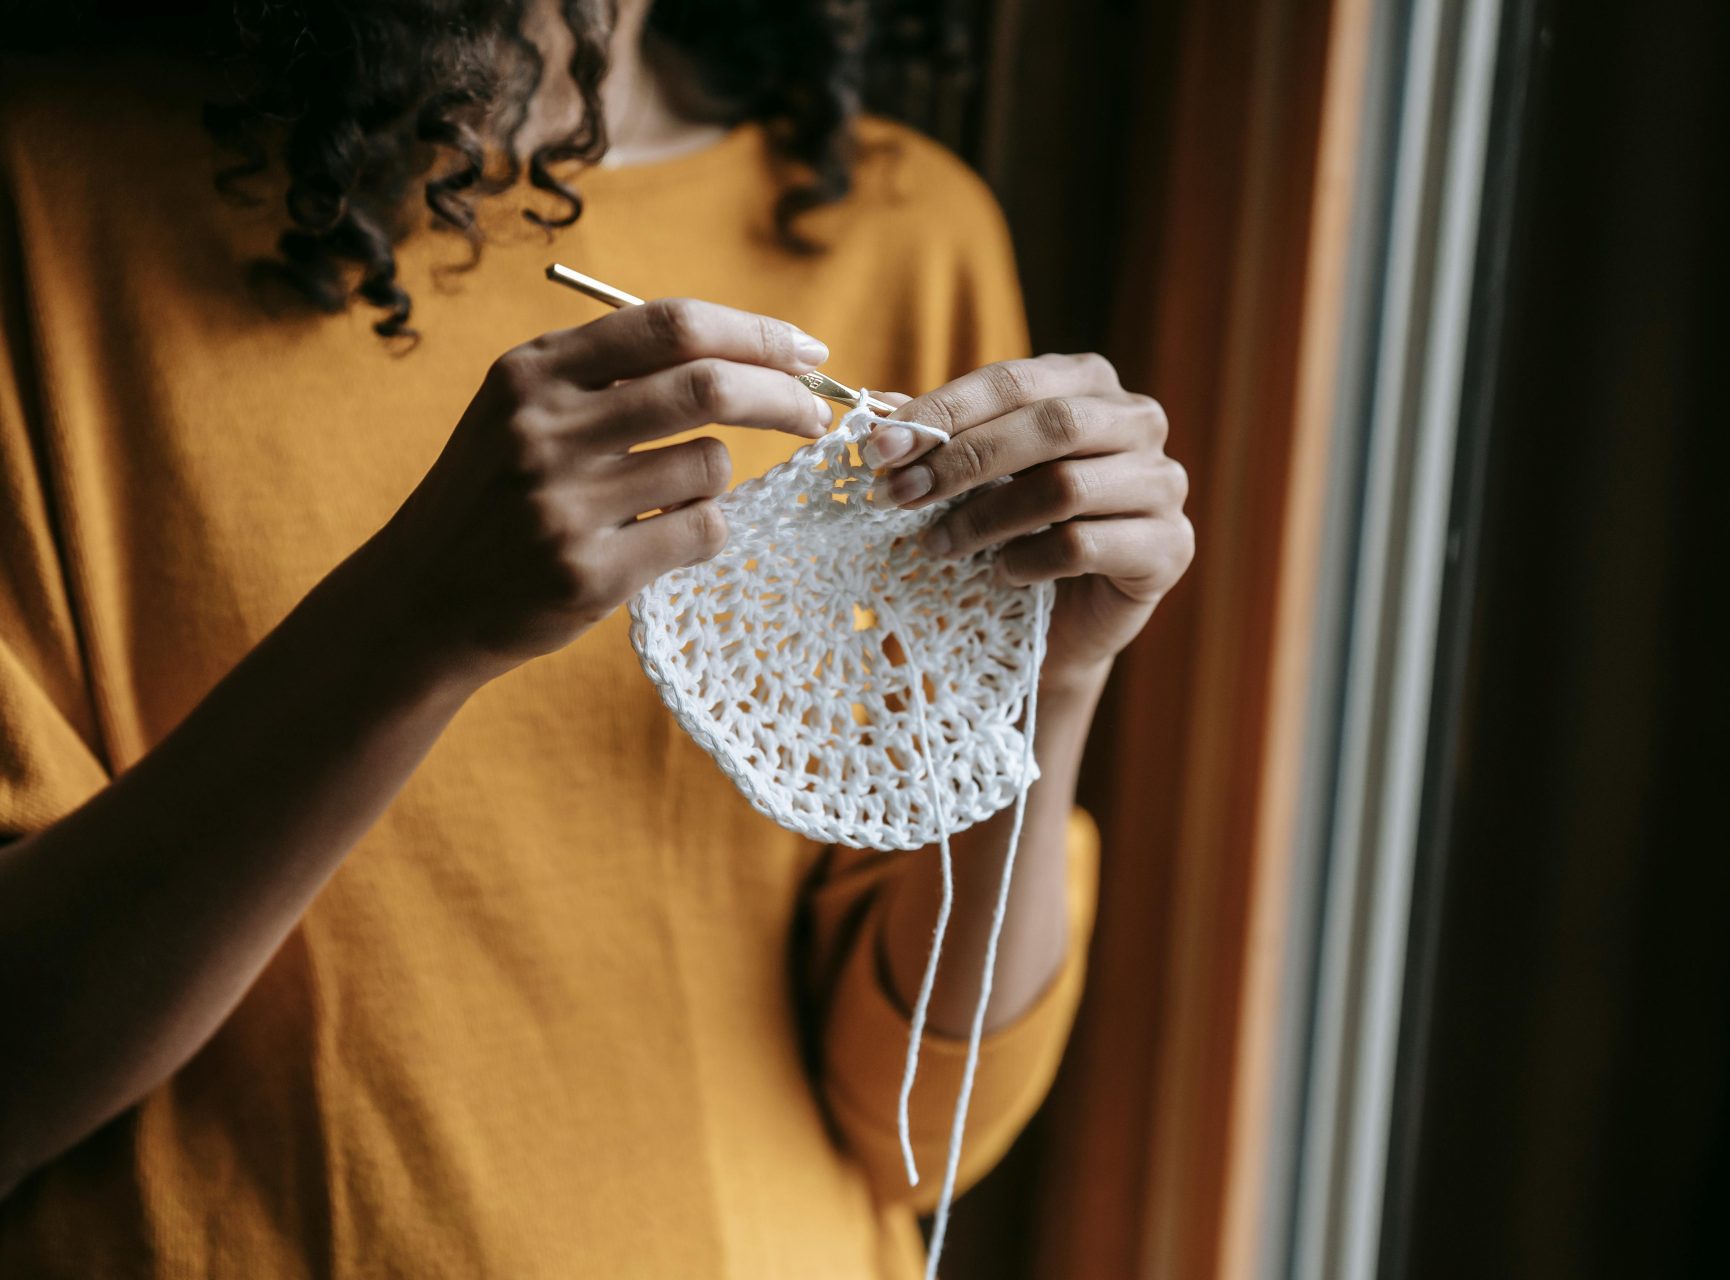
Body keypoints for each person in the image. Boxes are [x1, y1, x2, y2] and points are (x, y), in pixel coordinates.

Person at [0, 2, 1193, 1274]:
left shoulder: (902, 232)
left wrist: (1042, 685)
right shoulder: (49, 195)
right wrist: (418, 620)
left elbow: (917, 1137)